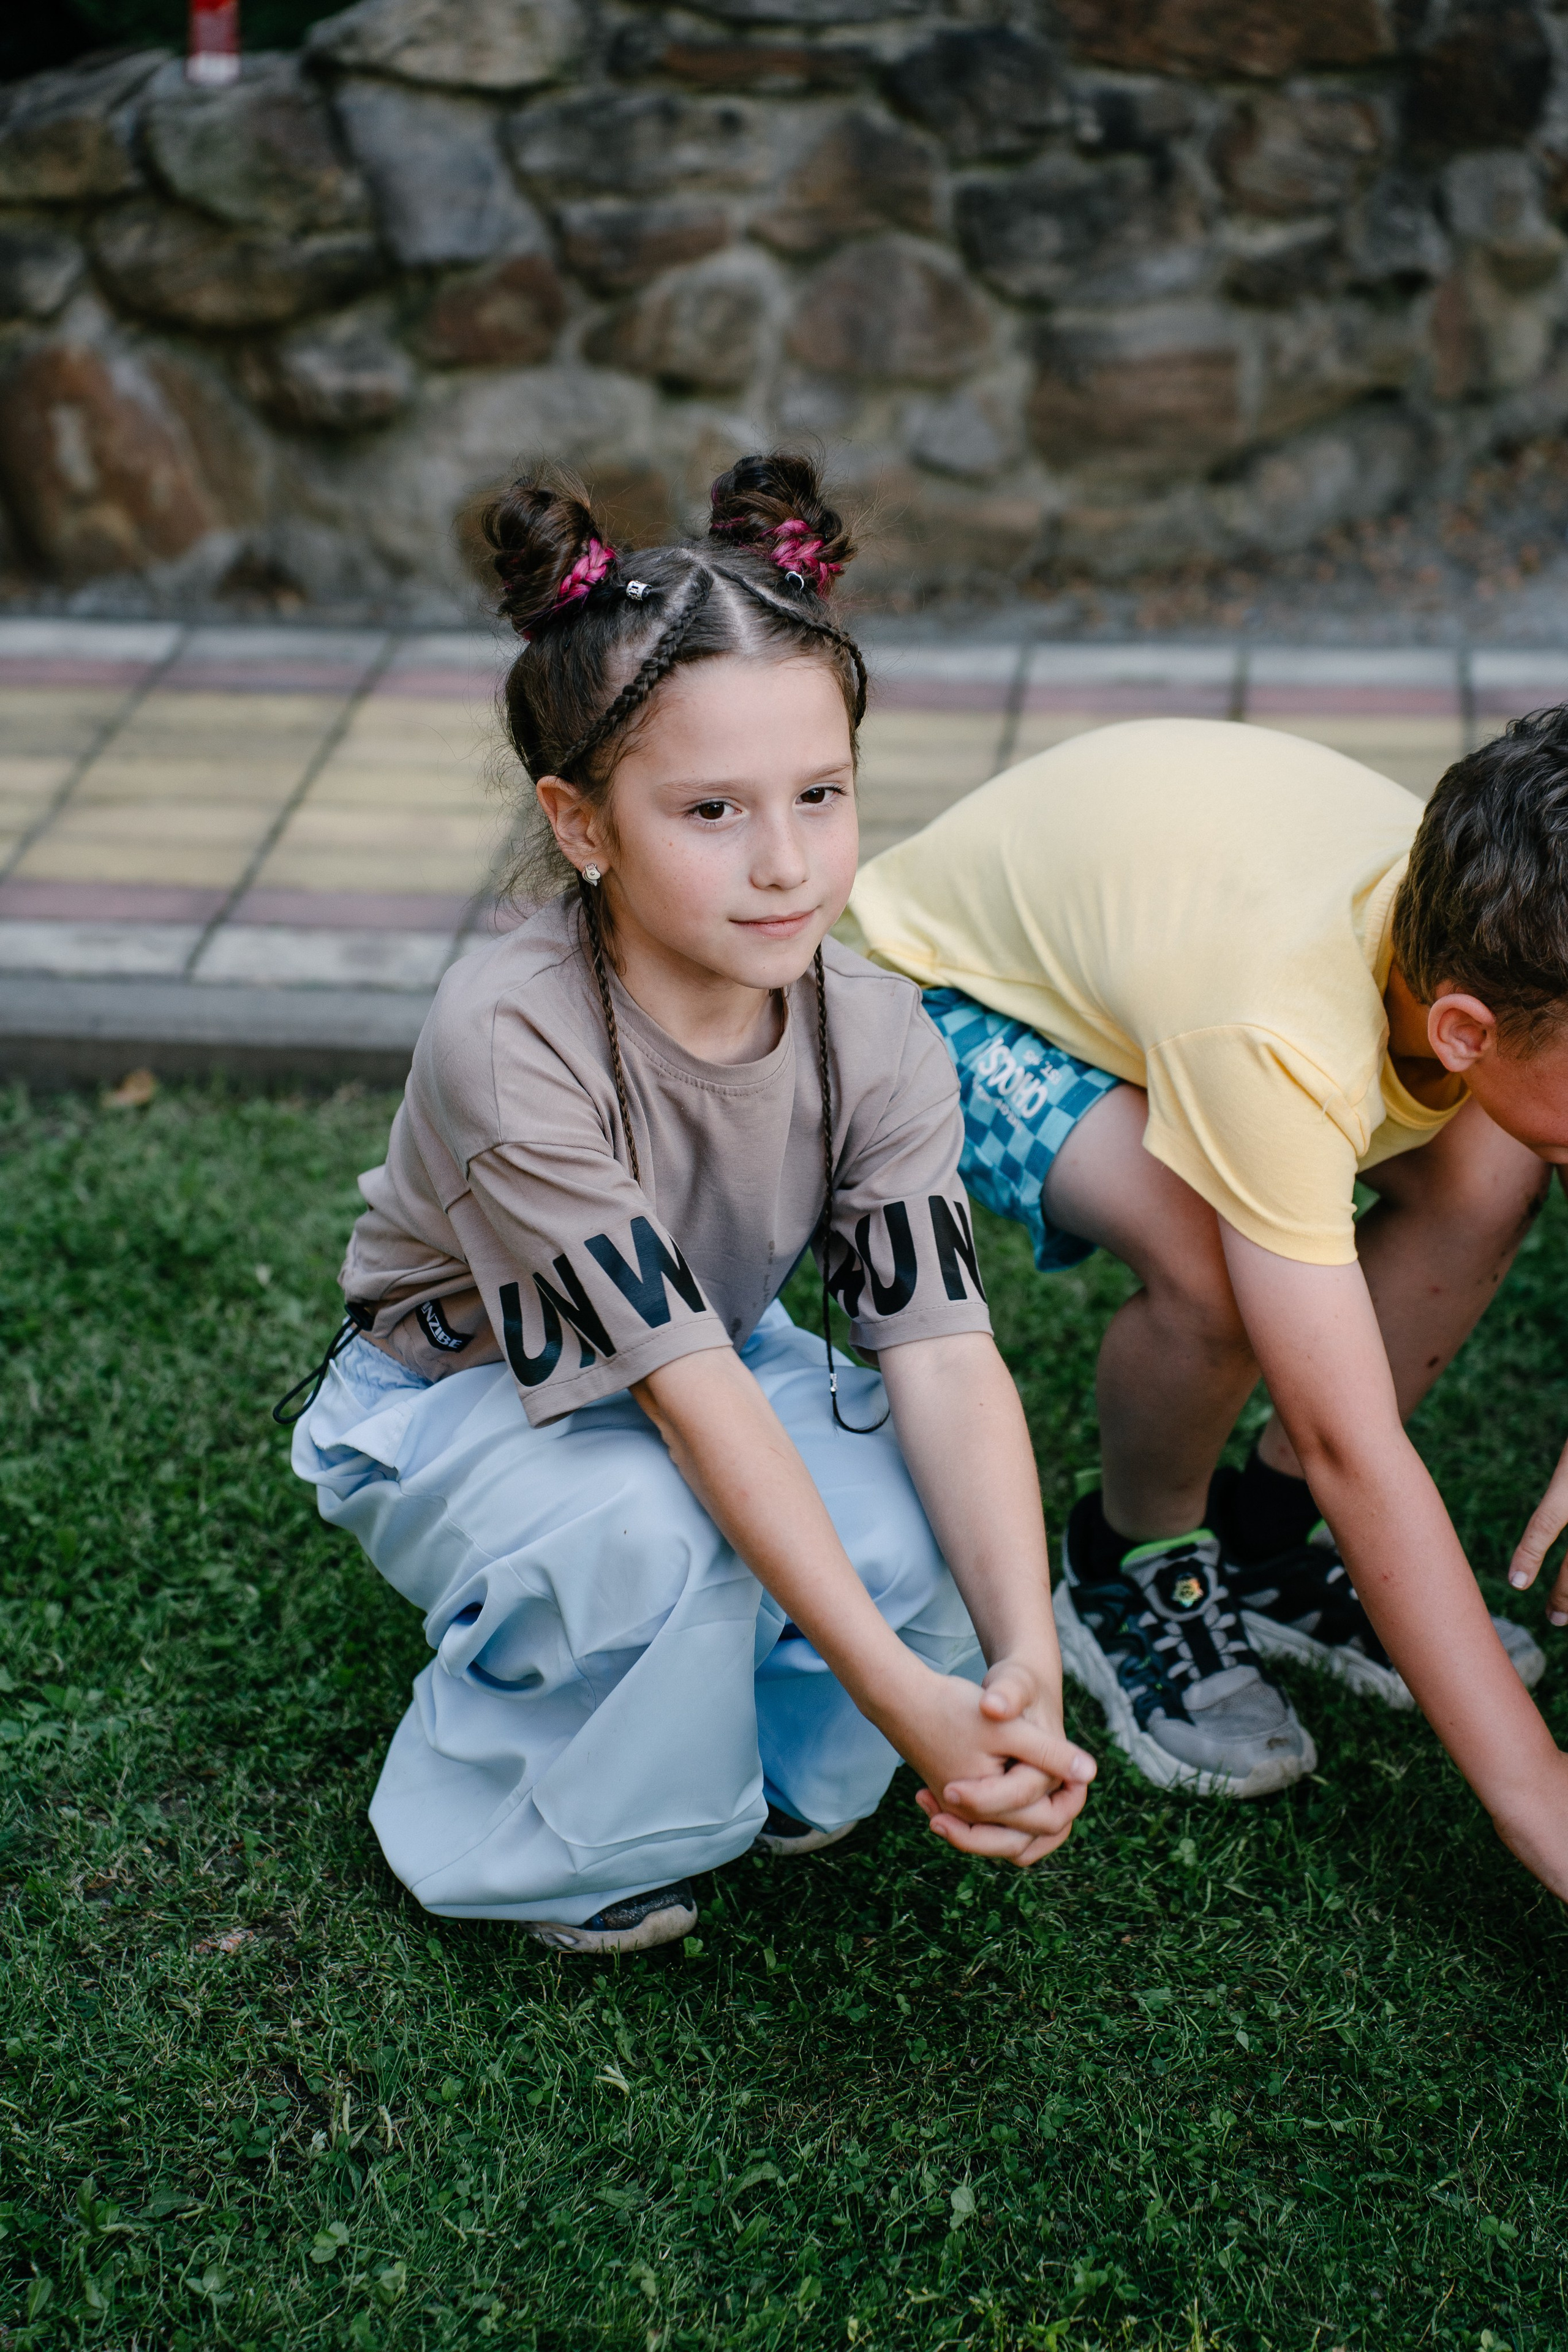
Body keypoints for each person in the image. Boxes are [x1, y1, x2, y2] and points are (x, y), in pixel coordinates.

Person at [286, 454, 1094, 1954]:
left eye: (821, 796)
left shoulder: (875, 1025)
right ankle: (532, 1843)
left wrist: (1017, 1658)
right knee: (653, 1536)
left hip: (705, 1354)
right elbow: (687, 1393)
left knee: (920, 1513)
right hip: (457, 1393)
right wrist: (897, 1683)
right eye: (711, 809)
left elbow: (939, 1354)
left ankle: (781, 1772)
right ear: (582, 824)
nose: (785, 863)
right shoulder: (506, 1033)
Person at [844, 707, 1568, 1897]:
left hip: (1169, 955)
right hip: (934, 995)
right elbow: (1351, 1443)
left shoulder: (1488, 946)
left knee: (1484, 1175)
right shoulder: (1277, 1029)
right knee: (1221, 1276)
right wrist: (1537, 1790)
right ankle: (1128, 1560)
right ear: (1460, 1030)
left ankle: (1262, 1550)